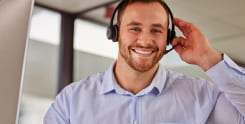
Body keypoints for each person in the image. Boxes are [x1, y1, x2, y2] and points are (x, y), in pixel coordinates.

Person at [44, 0, 245, 124]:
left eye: (157, 30)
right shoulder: (72, 101)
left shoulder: (202, 97)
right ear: (115, 32)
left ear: (168, 36)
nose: (145, 40)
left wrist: (209, 59)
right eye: (135, 28)